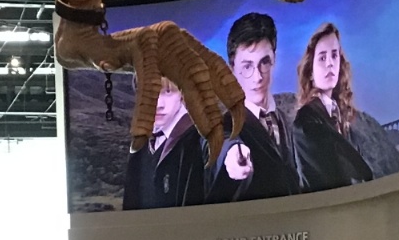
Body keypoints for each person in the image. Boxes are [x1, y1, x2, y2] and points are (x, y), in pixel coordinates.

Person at [208, 11, 302, 201]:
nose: (258, 77)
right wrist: (230, 155)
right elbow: (223, 144)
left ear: (274, 59)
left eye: (264, 62)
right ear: (232, 69)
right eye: (247, 66)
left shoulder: (286, 121)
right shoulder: (226, 127)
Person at [292, 23, 373, 192]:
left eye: (334, 55)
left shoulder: (341, 116)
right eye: (322, 58)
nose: (330, 63)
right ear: (311, 71)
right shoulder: (306, 121)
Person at [123, 79, 208, 209]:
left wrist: (231, 151)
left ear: (183, 93)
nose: (158, 104)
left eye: (168, 92)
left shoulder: (197, 139)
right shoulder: (142, 141)